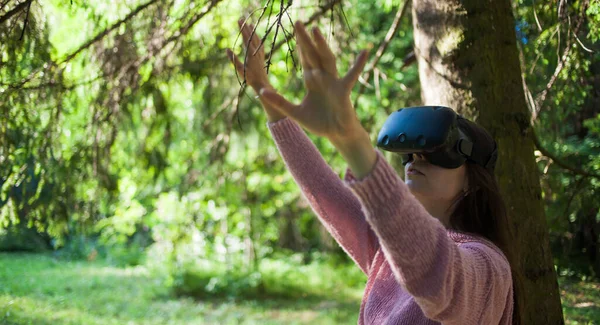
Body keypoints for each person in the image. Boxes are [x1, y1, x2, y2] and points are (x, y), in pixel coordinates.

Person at [226, 18, 516, 325]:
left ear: (474, 181)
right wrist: (268, 97)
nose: (416, 159)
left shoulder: (489, 268)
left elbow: (437, 275)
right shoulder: (389, 250)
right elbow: (324, 190)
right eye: (410, 154)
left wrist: (352, 138)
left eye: (436, 154)